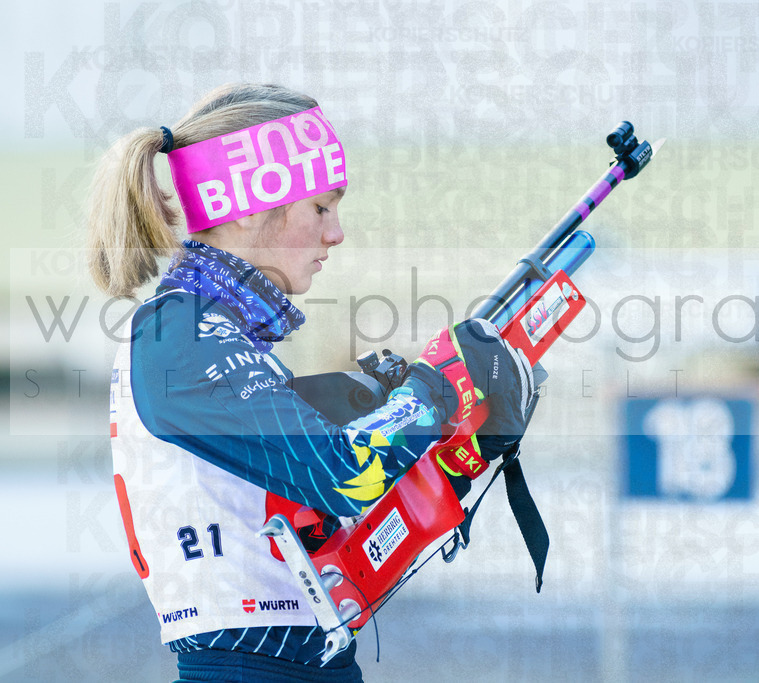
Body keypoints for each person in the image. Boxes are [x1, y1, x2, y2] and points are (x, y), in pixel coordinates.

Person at [88, 83, 534, 682]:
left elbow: (330, 517)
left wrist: (456, 444)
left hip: (288, 662)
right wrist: (432, 391)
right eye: (321, 208)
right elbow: (346, 474)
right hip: (249, 670)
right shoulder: (184, 334)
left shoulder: (211, 331)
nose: (336, 233)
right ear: (246, 208)